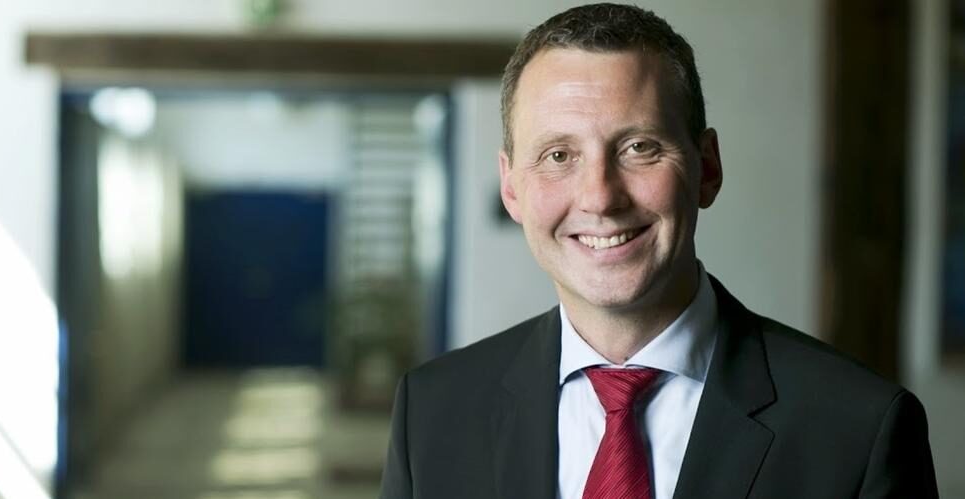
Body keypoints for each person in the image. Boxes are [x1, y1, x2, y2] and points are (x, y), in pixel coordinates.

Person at [379, 3, 939, 498]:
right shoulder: (431, 414)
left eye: (639, 147)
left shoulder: (859, 429)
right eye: (558, 156)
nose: (600, 197)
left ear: (707, 168)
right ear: (511, 188)